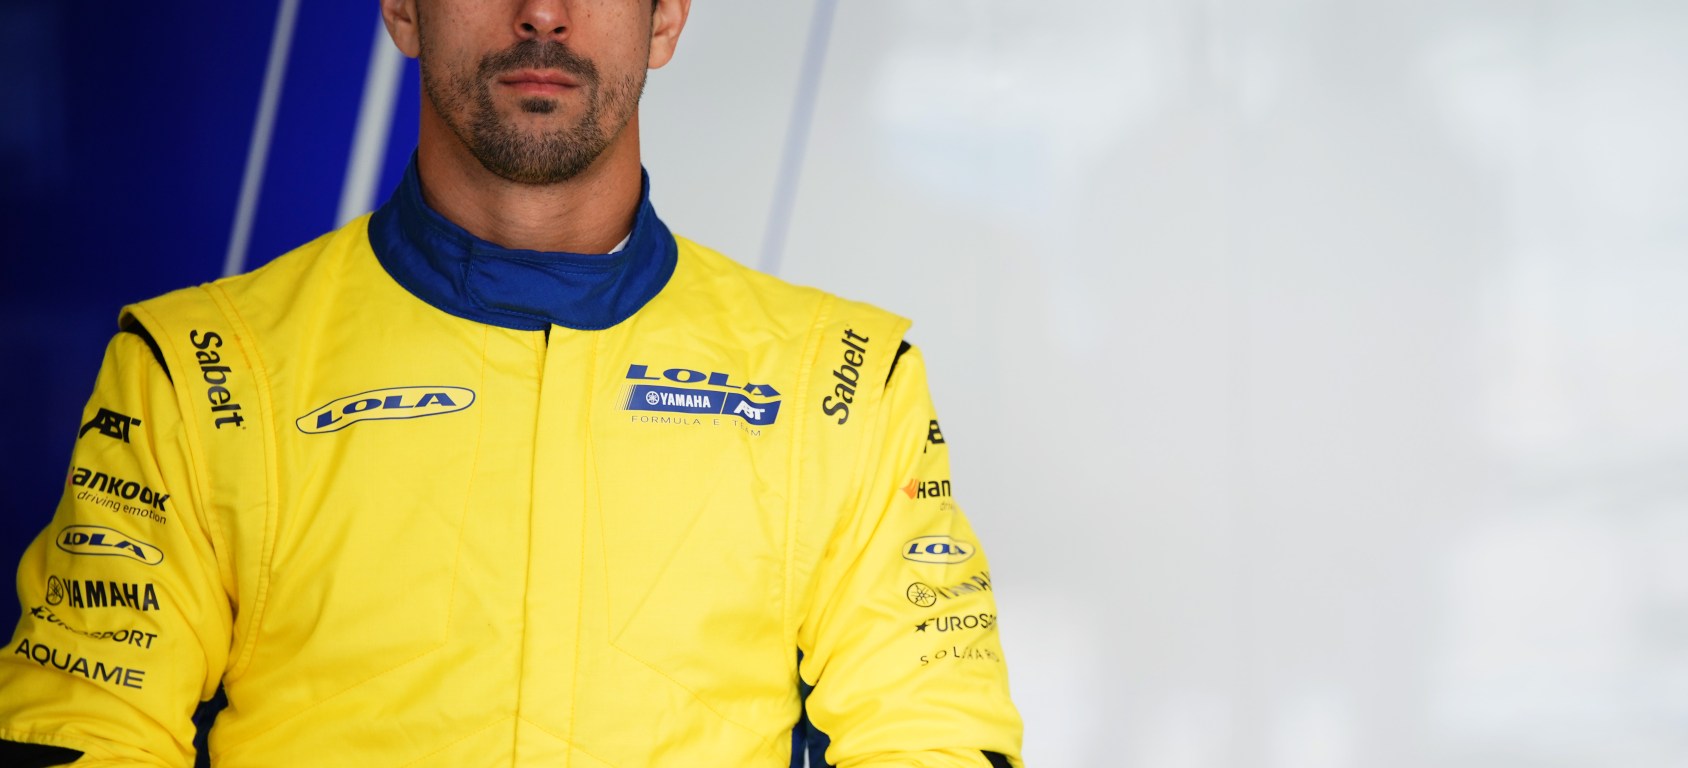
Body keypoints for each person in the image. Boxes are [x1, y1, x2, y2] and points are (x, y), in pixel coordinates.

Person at [0, 1, 1023, 765]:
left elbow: (932, 737)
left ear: (666, 17)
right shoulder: (197, 369)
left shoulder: (842, 384)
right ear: (405, 9)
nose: (542, 13)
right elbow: (84, 734)